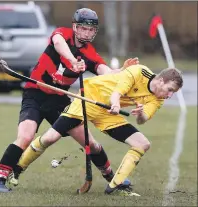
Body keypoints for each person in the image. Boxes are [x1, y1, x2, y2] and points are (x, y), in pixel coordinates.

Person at [0, 8, 138, 192]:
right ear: (75, 27)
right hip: (34, 95)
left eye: (92, 30)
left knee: (91, 143)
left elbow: (104, 71)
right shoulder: (62, 34)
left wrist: (121, 73)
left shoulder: (90, 53)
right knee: (25, 136)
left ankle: (112, 178)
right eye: (84, 28)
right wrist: (73, 60)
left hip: (59, 102)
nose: (88, 32)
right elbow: (58, 43)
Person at [18, 64, 183, 196]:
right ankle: (17, 168)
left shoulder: (158, 99)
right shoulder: (139, 72)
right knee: (50, 138)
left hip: (107, 113)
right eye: (170, 90)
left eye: (173, 93)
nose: (169, 96)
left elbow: (143, 119)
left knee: (142, 144)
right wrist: (116, 104)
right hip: (89, 100)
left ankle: (115, 185)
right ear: (161, 80)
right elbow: (117, 92)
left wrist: (140, 114)